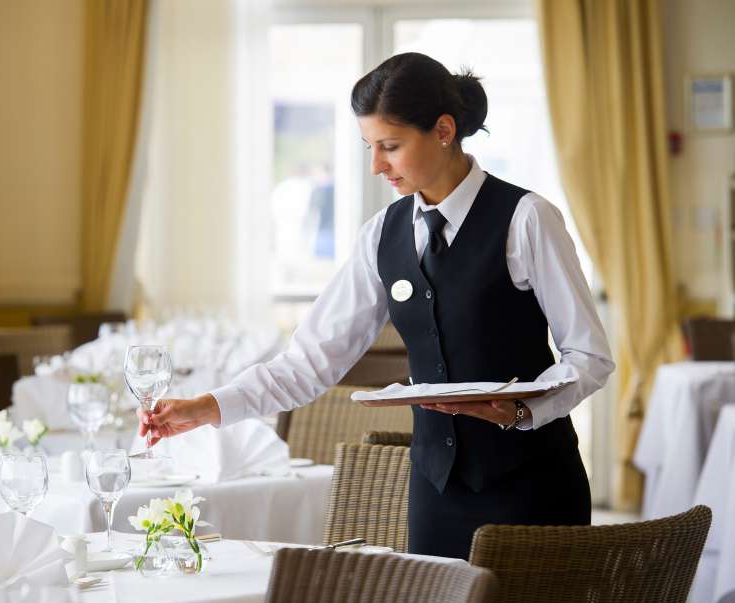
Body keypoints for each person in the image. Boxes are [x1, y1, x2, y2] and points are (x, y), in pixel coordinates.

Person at [138, 53, 614, 559]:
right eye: (370, 147)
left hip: (531, 486)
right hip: (436, 493)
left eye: (390, 146)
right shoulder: (381, 235)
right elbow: (309, 363)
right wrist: (206, 408)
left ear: (444, 130)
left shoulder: (527, 219)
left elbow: (590, 357)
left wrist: (522, 411)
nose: (376, 166)